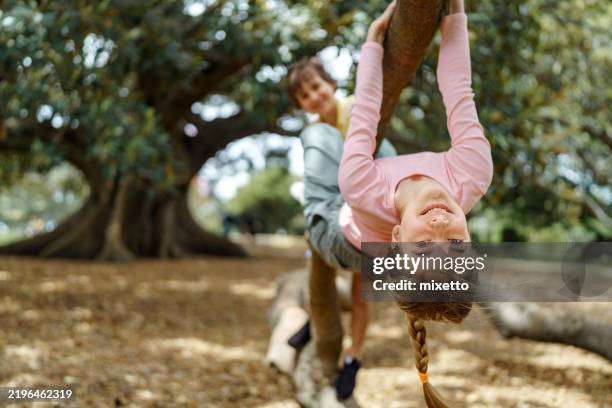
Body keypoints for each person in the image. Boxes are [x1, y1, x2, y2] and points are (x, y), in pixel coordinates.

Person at [297, 0, 494, 402]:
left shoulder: (360, 186)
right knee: (378, 147)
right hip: (378, 198)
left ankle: (333, 344)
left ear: (399, 236)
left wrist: (372, 46)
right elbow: (459, 90)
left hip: (342, 235)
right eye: (456, 245)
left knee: (320, 138)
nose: (441, 229)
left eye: (424, 246)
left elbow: (365, 111)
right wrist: (455, 18)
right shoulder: (473, 172)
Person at [286, 51, 397, 400]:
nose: (314, 97)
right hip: (337, 210)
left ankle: (354, 359)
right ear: (301, 104)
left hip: (369, 212)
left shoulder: (355, 112)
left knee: (363, 292)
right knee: (319, 267)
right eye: (305, 95)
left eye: (317, 87)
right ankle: (315, 322)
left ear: (331, 84)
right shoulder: (317, 132)